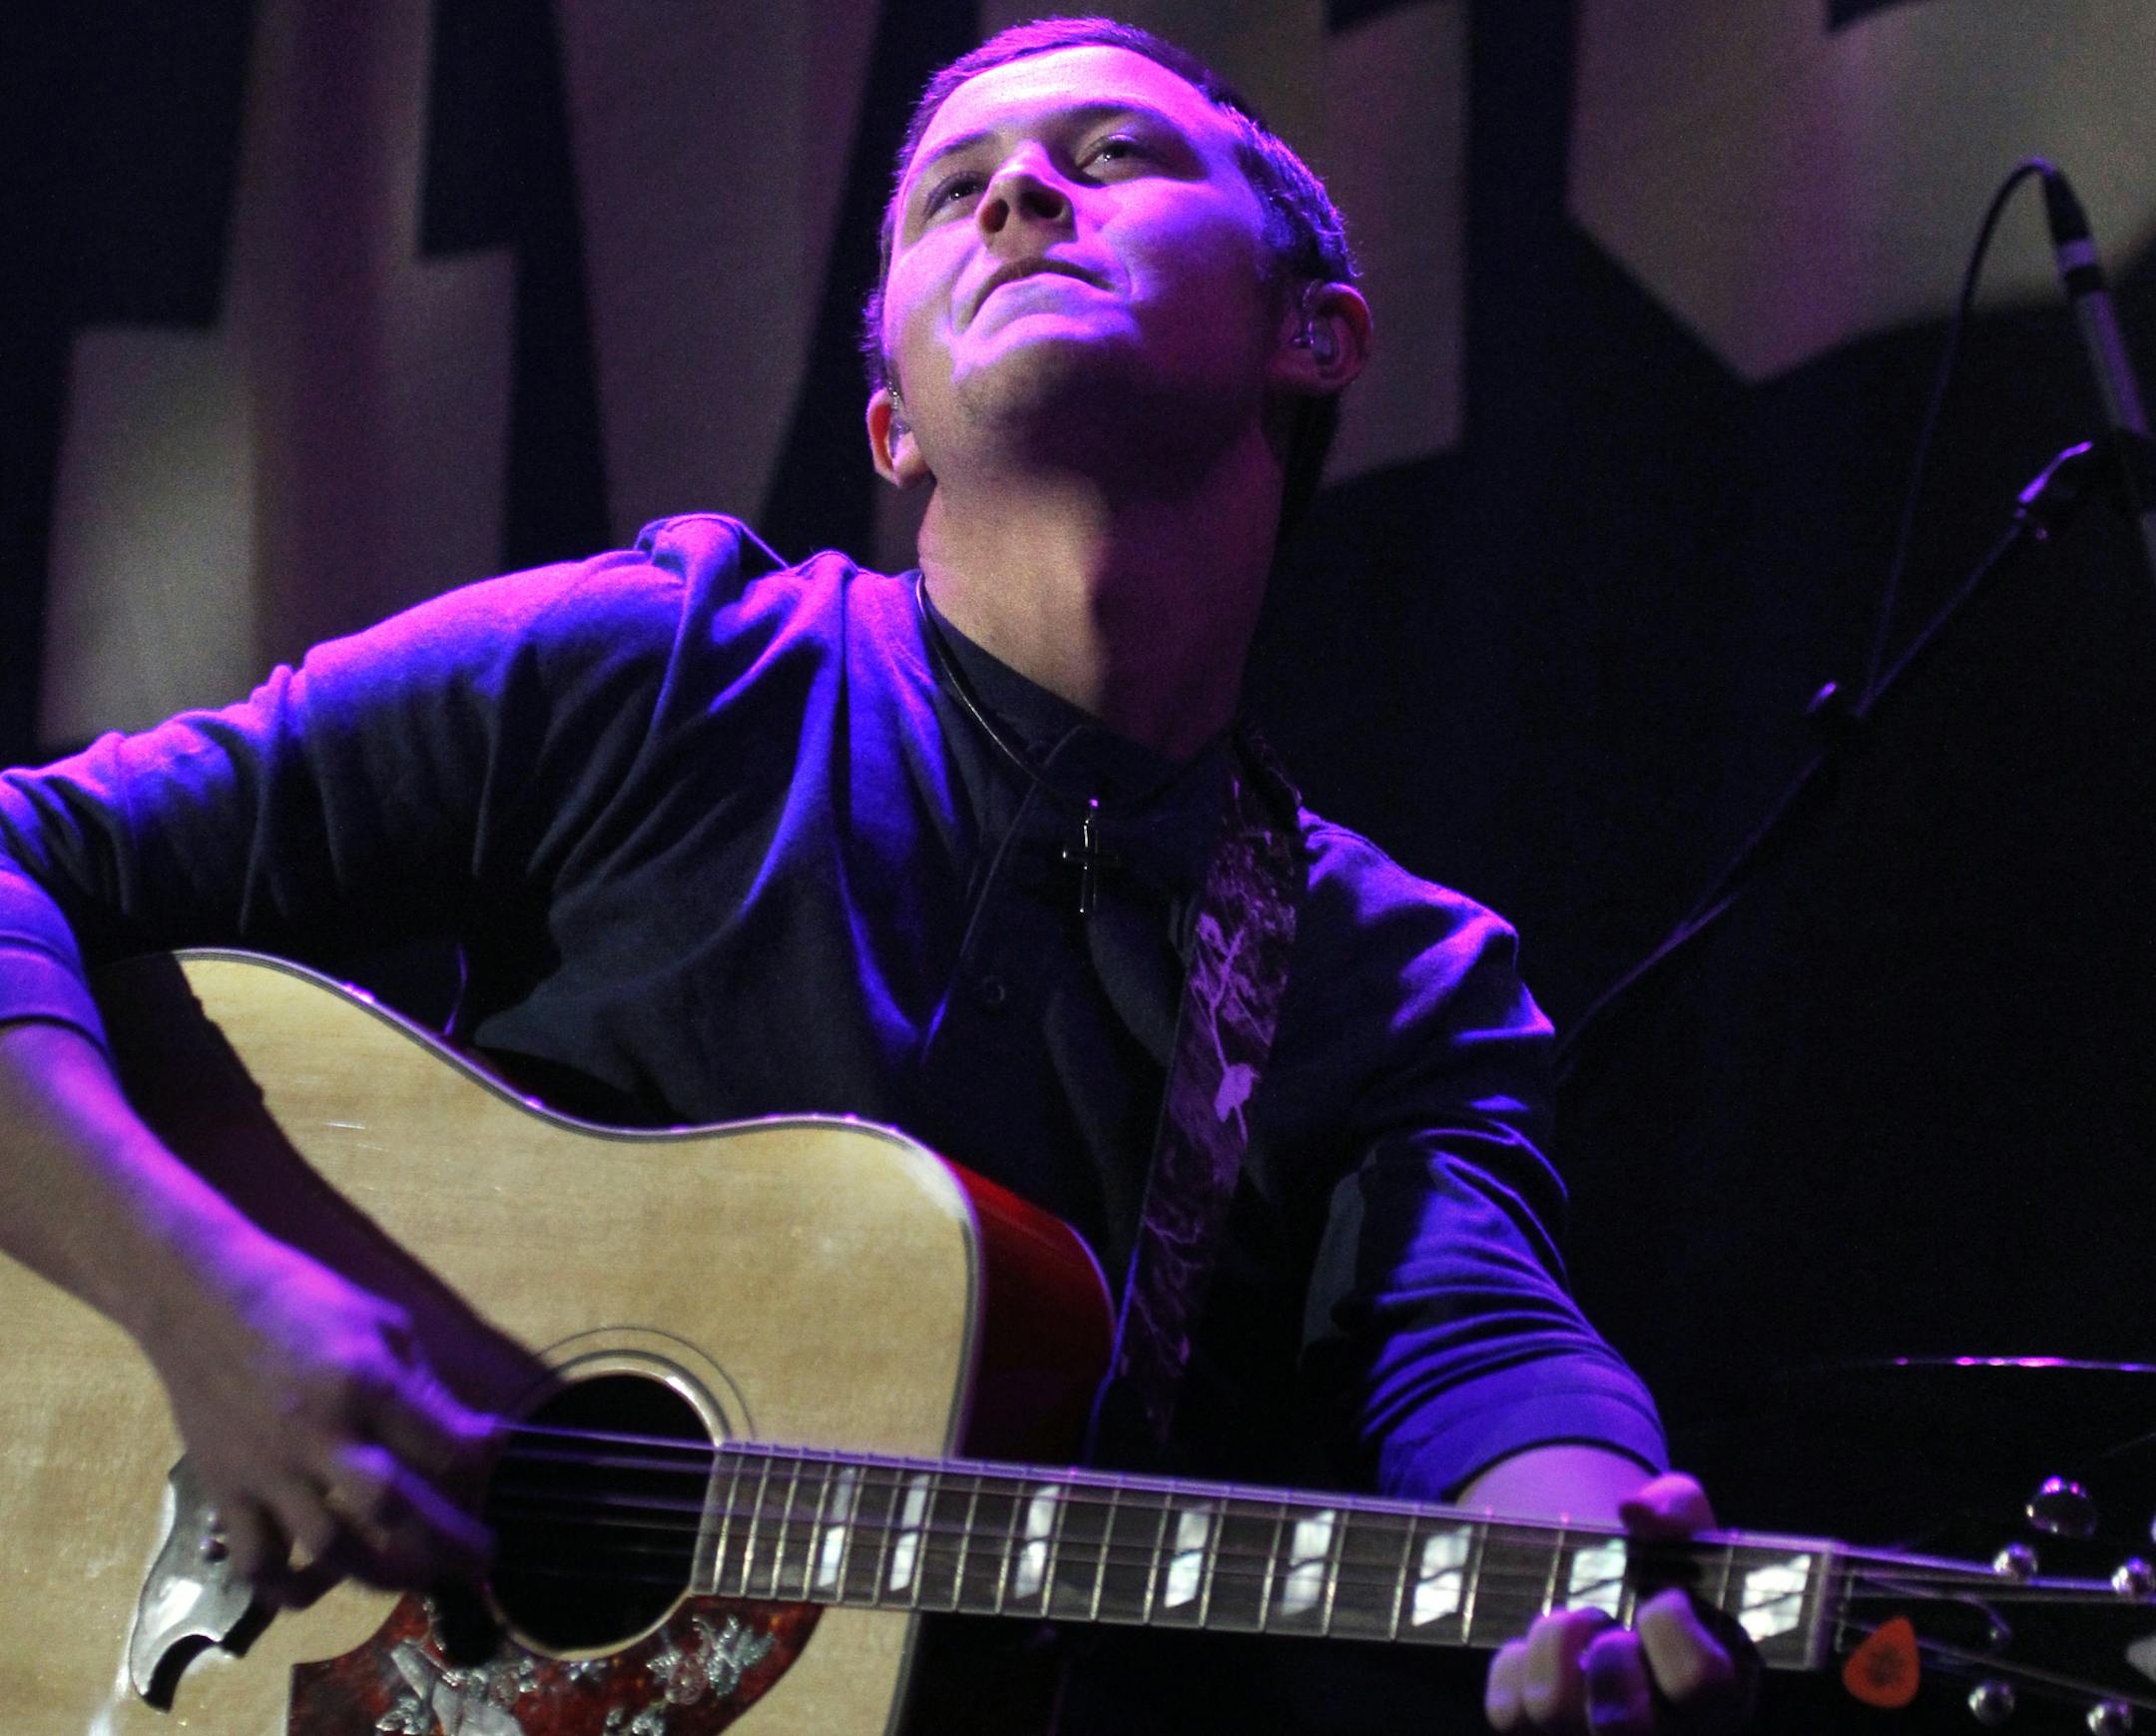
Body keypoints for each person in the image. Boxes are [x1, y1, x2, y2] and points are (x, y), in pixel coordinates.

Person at [0, 17, 1749, 1734]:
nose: (1019, 200)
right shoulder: (665, 665)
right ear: (893, 425)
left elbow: (1476, 1350)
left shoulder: (1396, 973)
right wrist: (207, 1306)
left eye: (1113, 155)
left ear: (1319, 330)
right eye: (952, 192)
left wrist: (1595, 1570)